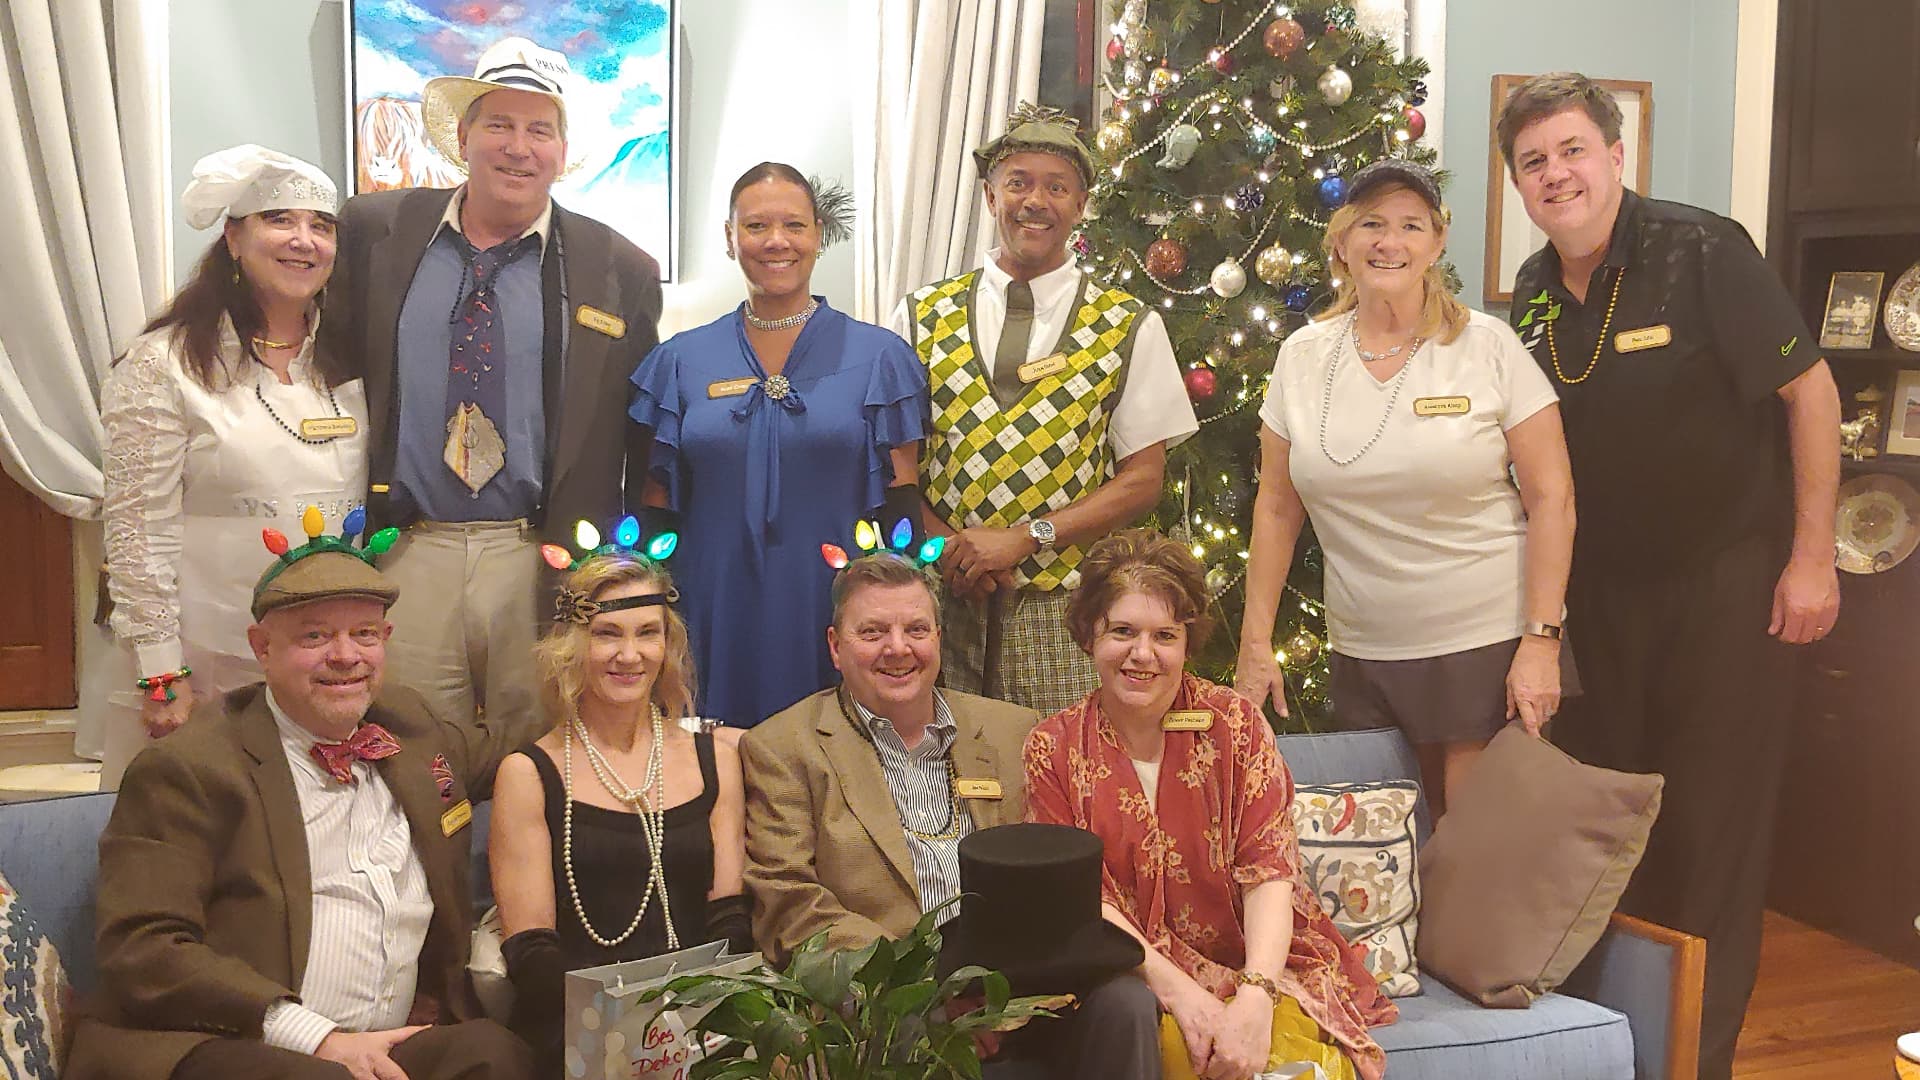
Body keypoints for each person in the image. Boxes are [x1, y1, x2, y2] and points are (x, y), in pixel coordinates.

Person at [1495, 71, 1842, 1079]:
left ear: (1614, 154)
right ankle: (1617, 1050)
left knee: (1712, 843)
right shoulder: (1528, 292)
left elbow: (1811, 394)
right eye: (1533, 162)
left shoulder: (1703, 250)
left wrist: (1813, 557)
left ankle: (1700, 1062)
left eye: (1572, 151)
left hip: (1725, 592)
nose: (1557, 174)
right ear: (1518, 185)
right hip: (1602, 605)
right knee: (1611, 836)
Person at [67, 522, 532, 1080]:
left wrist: (622, 667)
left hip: (387, 1043)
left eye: (364, 634)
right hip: (230, 1041)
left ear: (385, 639)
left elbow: (527, 749)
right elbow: (140, 947)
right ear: (262, 648)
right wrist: (316, 1038)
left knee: (494, 1054)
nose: (345, 656)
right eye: (314, 637)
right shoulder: (189, 768)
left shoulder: (414, 731)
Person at [325, 37, 663, 787]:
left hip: (535, 554)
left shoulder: (620, 269)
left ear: (563, 149)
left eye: (539, 129)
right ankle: (433, 902)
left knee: (539, 754)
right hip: (407, 549)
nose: (518, 147)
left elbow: (642, 434)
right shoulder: (375, 233)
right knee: (409, 753)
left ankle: (525, 905)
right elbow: (328, 368)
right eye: (499, 125)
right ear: (464, 137)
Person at [1236, 159, 1575, 815]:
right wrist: (1256, 645)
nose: (1390, 242)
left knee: (1472, 858)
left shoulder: (1489, 347)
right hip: (1364, 651)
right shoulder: (1301, 358)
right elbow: (1277, 509)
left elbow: (1552, 499)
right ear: (1341, 241)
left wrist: (1541, 640)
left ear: (1436, 242)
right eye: (1371, 224)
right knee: (1385, 861)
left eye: (1410, 226)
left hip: (1484, 644)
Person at [1027, 529, 1397, 1080]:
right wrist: (1182, 994)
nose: (1142, 655)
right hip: (1130, 974)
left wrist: (1255, 998)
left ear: (1187, 641)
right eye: (1122, 632)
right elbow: (1078, 899)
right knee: (1183, 1051)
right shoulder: (1052, 747)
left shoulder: (1237, 726)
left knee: (1297, 1065)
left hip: (1257, 963)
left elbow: (1269, 870)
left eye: (1164, 635)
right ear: (1088, 635)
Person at [888, 104, 1197, 715]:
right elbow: (893, 464)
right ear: (988, 195)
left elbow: (1143, 479)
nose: (1036, 201)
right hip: (939, 605)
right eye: (1018, 183)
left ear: (1080, 206)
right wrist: (952, 547)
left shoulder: (1128, 325)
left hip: (1065, 611)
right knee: (935, 781)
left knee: (1055, 782)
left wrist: (1027, 539)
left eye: (1057, 188)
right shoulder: (919, 315)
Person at [100, 144, 364, 790]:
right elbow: (138, 529)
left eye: (321, 226)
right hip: (205, 668)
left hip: (323, 672)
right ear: (233, 238)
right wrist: (160, 669)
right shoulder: (164, 364)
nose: (303, 241)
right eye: (280, 220)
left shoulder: (352, 361)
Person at [630, 163, 926, 727]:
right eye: (756, 225)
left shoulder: (879, 357)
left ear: (819, 233)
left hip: (837, 603)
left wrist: (896, 624)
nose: (775, 242)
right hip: (711, 603)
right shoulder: (679, 360)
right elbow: (655, 504)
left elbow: (901, 505)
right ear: (729, 237)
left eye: (793, 224)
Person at [487, 549, 748, 1073]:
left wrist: (694, 1031)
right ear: (572, 646)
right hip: (577, 1035)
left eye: (647, 633)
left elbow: (731, 922)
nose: (630, 655)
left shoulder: (715, 760)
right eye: (608, 633)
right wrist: (627, 1038)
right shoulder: (528, 773)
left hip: (703, 1027)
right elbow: (533, 956)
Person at [741, 553, 1032, 959]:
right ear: (836, 647)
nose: (898, 649)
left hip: (1018, 980)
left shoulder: (1014, 732)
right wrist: (919, 984)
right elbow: (789, 906)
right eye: (873, 632)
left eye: (916, 630)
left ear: (938, 639)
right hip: (881, 1000)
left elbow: (1046, 873)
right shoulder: (783, 749)